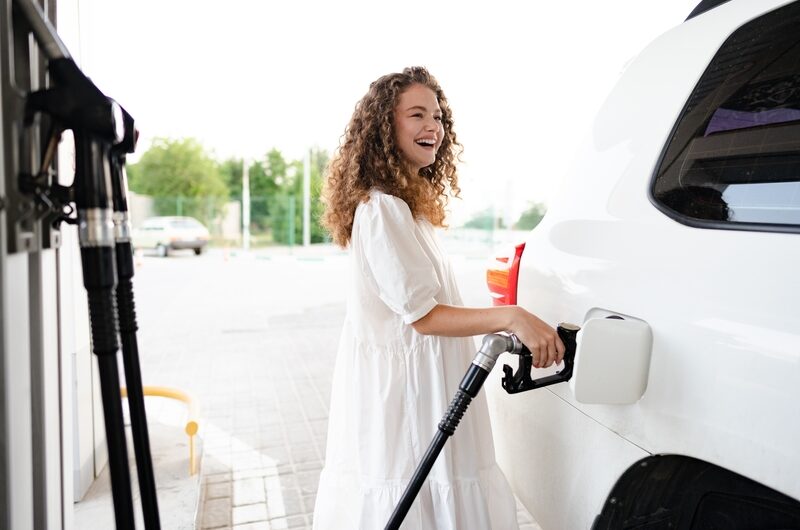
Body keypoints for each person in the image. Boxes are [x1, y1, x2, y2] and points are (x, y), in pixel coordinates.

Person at [312, 66, 565, 530]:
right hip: (409, 396)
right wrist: (511, 317)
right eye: (416, 115)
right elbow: (423, 316)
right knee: (417, 497)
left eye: (437, 116)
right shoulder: (382, 208)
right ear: (384, 127)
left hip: (427, 382)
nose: (433, 126)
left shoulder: (407, 208)